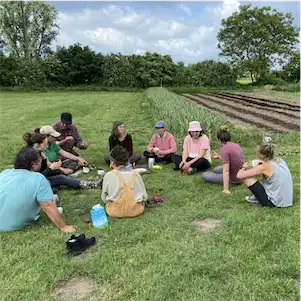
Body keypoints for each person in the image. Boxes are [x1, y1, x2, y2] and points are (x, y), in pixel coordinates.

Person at [0, 148, 75, 232]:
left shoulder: (4, 173)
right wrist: (63, 227)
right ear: (33, 164)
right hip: (10, 226)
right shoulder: (39, 178)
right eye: (40, 161)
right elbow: (47, 205)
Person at [23, 132, 100, 189]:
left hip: (39, 178)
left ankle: (61, 184)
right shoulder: (31, 156)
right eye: (45, 145)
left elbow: (45, 167)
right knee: (61, 178)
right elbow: (36, 178)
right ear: (37, 145)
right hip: (33, 183)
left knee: (60, 176)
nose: (46, 147)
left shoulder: (39, 152)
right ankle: (89, 184)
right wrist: (52, 168)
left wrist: (54, 167)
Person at [237, 140, 293, 207]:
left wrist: (243, 167)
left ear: (261, 154)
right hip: (287, 201)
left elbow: (239, 175)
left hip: (273, 203)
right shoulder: (280, 160)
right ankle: (257, 196)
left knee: (246, 178)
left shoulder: (265, 166)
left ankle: (257, 198)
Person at [101, 145, 147, 218]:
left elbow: (104, 198)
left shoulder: (108, 175)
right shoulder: (136, 174)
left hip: (114, 211)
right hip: (137, 210)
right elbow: (144, 196)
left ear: (112, 161)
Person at [202, 126, 244, 194]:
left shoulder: (224, 149)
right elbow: (233, 160)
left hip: (233, 179)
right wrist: (219, 156)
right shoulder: (237, 145)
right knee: (216, 169)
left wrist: (226, 189)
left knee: (205, 175)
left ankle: (229, 182)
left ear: (219, 140)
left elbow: (226, 170)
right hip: (241, 175)